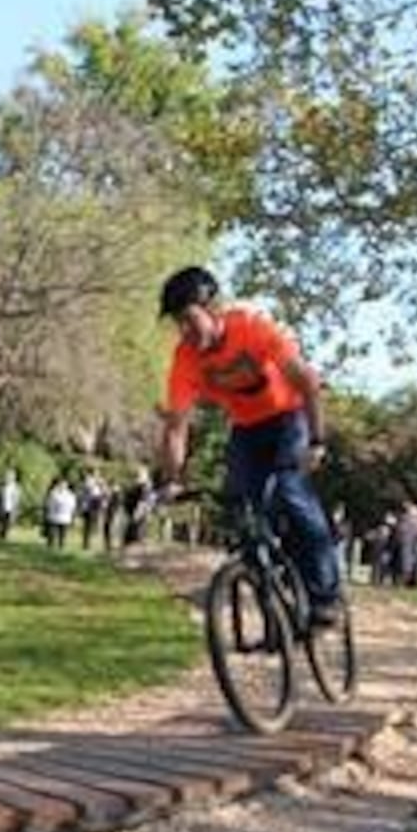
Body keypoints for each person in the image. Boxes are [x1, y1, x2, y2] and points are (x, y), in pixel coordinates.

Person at [155, 266, 342, 627]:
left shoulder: (252, 327)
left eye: (190, 319)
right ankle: (269, 596)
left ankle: (325, 594)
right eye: (178, 323)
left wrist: (317, 441)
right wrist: (172, 479)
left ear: (212, 309)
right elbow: (176, 427)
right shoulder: (186, 358)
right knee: (242, 510)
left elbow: (306, 382)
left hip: (289, 417)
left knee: (290, 491)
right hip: (247, 429)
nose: (185, 331)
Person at [43, 476, 77, 550]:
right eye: (61, 484)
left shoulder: (70, 495)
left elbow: (72, 505)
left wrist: (71, 514)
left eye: (64, 484)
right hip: (54, 516)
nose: (63, 486)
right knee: (52, 533)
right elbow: (49, 504)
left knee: (62, 534)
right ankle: (50, 547)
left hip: (65, 517)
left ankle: (61, 547)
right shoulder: (53, 493)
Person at [0, 468, 20, 541]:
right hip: (1, 508)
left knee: (8, 524)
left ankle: (4, 537)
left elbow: (16, 500)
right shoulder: (0, 487)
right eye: (7, 477)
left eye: (10, 477)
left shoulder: (15, 488)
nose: (8, 478)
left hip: (10, 509)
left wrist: (15, 509)